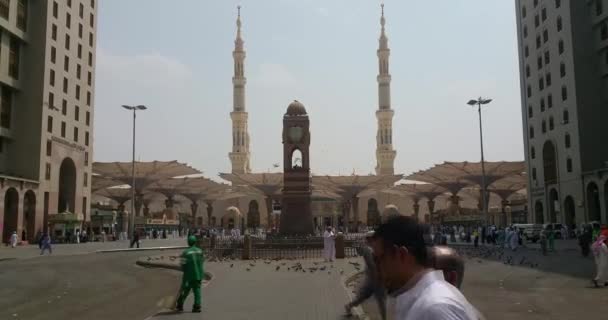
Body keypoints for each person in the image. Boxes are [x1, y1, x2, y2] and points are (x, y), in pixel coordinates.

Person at [371, 216, 478, 319]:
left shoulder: (435, 308)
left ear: (401, 255)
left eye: (378, 260)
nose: (376, 269)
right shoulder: (417, 300)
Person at [344, 232, 386, 320]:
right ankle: (349, 306)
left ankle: (383, 317)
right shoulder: (368, 249)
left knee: (380, 299)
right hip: (373, 277)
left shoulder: (375, 247)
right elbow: (371, 265)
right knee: (366, 296)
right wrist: (378, 276)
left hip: (377, 277)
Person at [175, 235, 204, 313]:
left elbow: (182, 265)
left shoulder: (185, 252)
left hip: (188, 275)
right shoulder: (200, 251)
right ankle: (197, 306)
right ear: (195, 242)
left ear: (188, 242)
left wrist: (185, 271)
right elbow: (202, 261)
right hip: (198, 274)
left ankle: (180, 304)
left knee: (185, 290)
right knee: (197, 290)